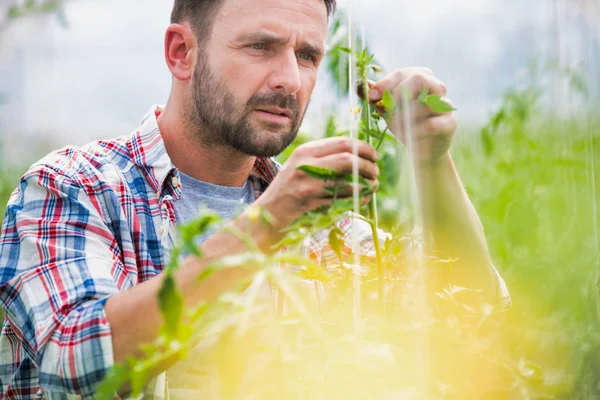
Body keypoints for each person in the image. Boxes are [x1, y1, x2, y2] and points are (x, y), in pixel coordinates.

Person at [0, 0, 510, 398]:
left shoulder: (322, 227)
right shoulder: (75, 187)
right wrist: (265, 226)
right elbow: (71, 361)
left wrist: (430, 161)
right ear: (181, 52)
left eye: (307, 55)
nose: (290, 79)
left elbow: (469, 317)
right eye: (260, 47)